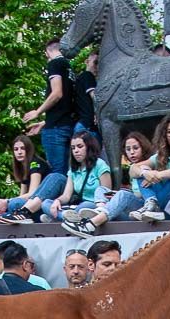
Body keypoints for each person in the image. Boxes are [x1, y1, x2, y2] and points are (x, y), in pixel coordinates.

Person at [59, 131, 154, 238]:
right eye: (128, 149)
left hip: (145, 211)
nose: (131, 152)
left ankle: (89, 226)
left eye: (135, 148)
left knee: (121, 195)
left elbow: (146, 194)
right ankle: (100, 210)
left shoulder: (149, 165)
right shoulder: (132, 168)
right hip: (126, 212)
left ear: (144, 148)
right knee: (101, 190)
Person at [22, 38, 76, 177]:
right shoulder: (69, 67)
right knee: (67, 172)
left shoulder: (55, 64)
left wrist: (37, 112)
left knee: (56, 173)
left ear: (47, 52)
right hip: (66, 125)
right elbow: (66, 105)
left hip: (56, 130)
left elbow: (57, 94)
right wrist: (43, 123)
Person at [35, 131, 113, 222]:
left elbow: (107, 195)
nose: (76, 151)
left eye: (80, 147)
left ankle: (58, 218)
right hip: (77, 206)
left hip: (94, 207)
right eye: (73, 148)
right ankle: (65, 216)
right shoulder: (73, 169)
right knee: (46, 203)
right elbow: (66, 196)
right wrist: (58, 201)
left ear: (89, 147)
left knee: (84, 207)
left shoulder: (100, 165)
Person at [0, 135, 66, 225]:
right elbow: (22, 195)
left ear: (29, 149)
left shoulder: (35, 163)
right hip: (34, 205)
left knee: (14, 204)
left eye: (22, 148)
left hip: (47, 201)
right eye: (16, 149)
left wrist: (7, 201)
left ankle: (29, 216)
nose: (19, 152)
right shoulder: (22, 168)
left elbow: (32, 193)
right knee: (14, 205)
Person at [73, 51, 98, 141]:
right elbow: (95, 97)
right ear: (87, 62)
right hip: (87, 125)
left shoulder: (80, 78)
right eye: (95, 62)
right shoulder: (87, 76)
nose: (97, 67)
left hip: (83, 124)